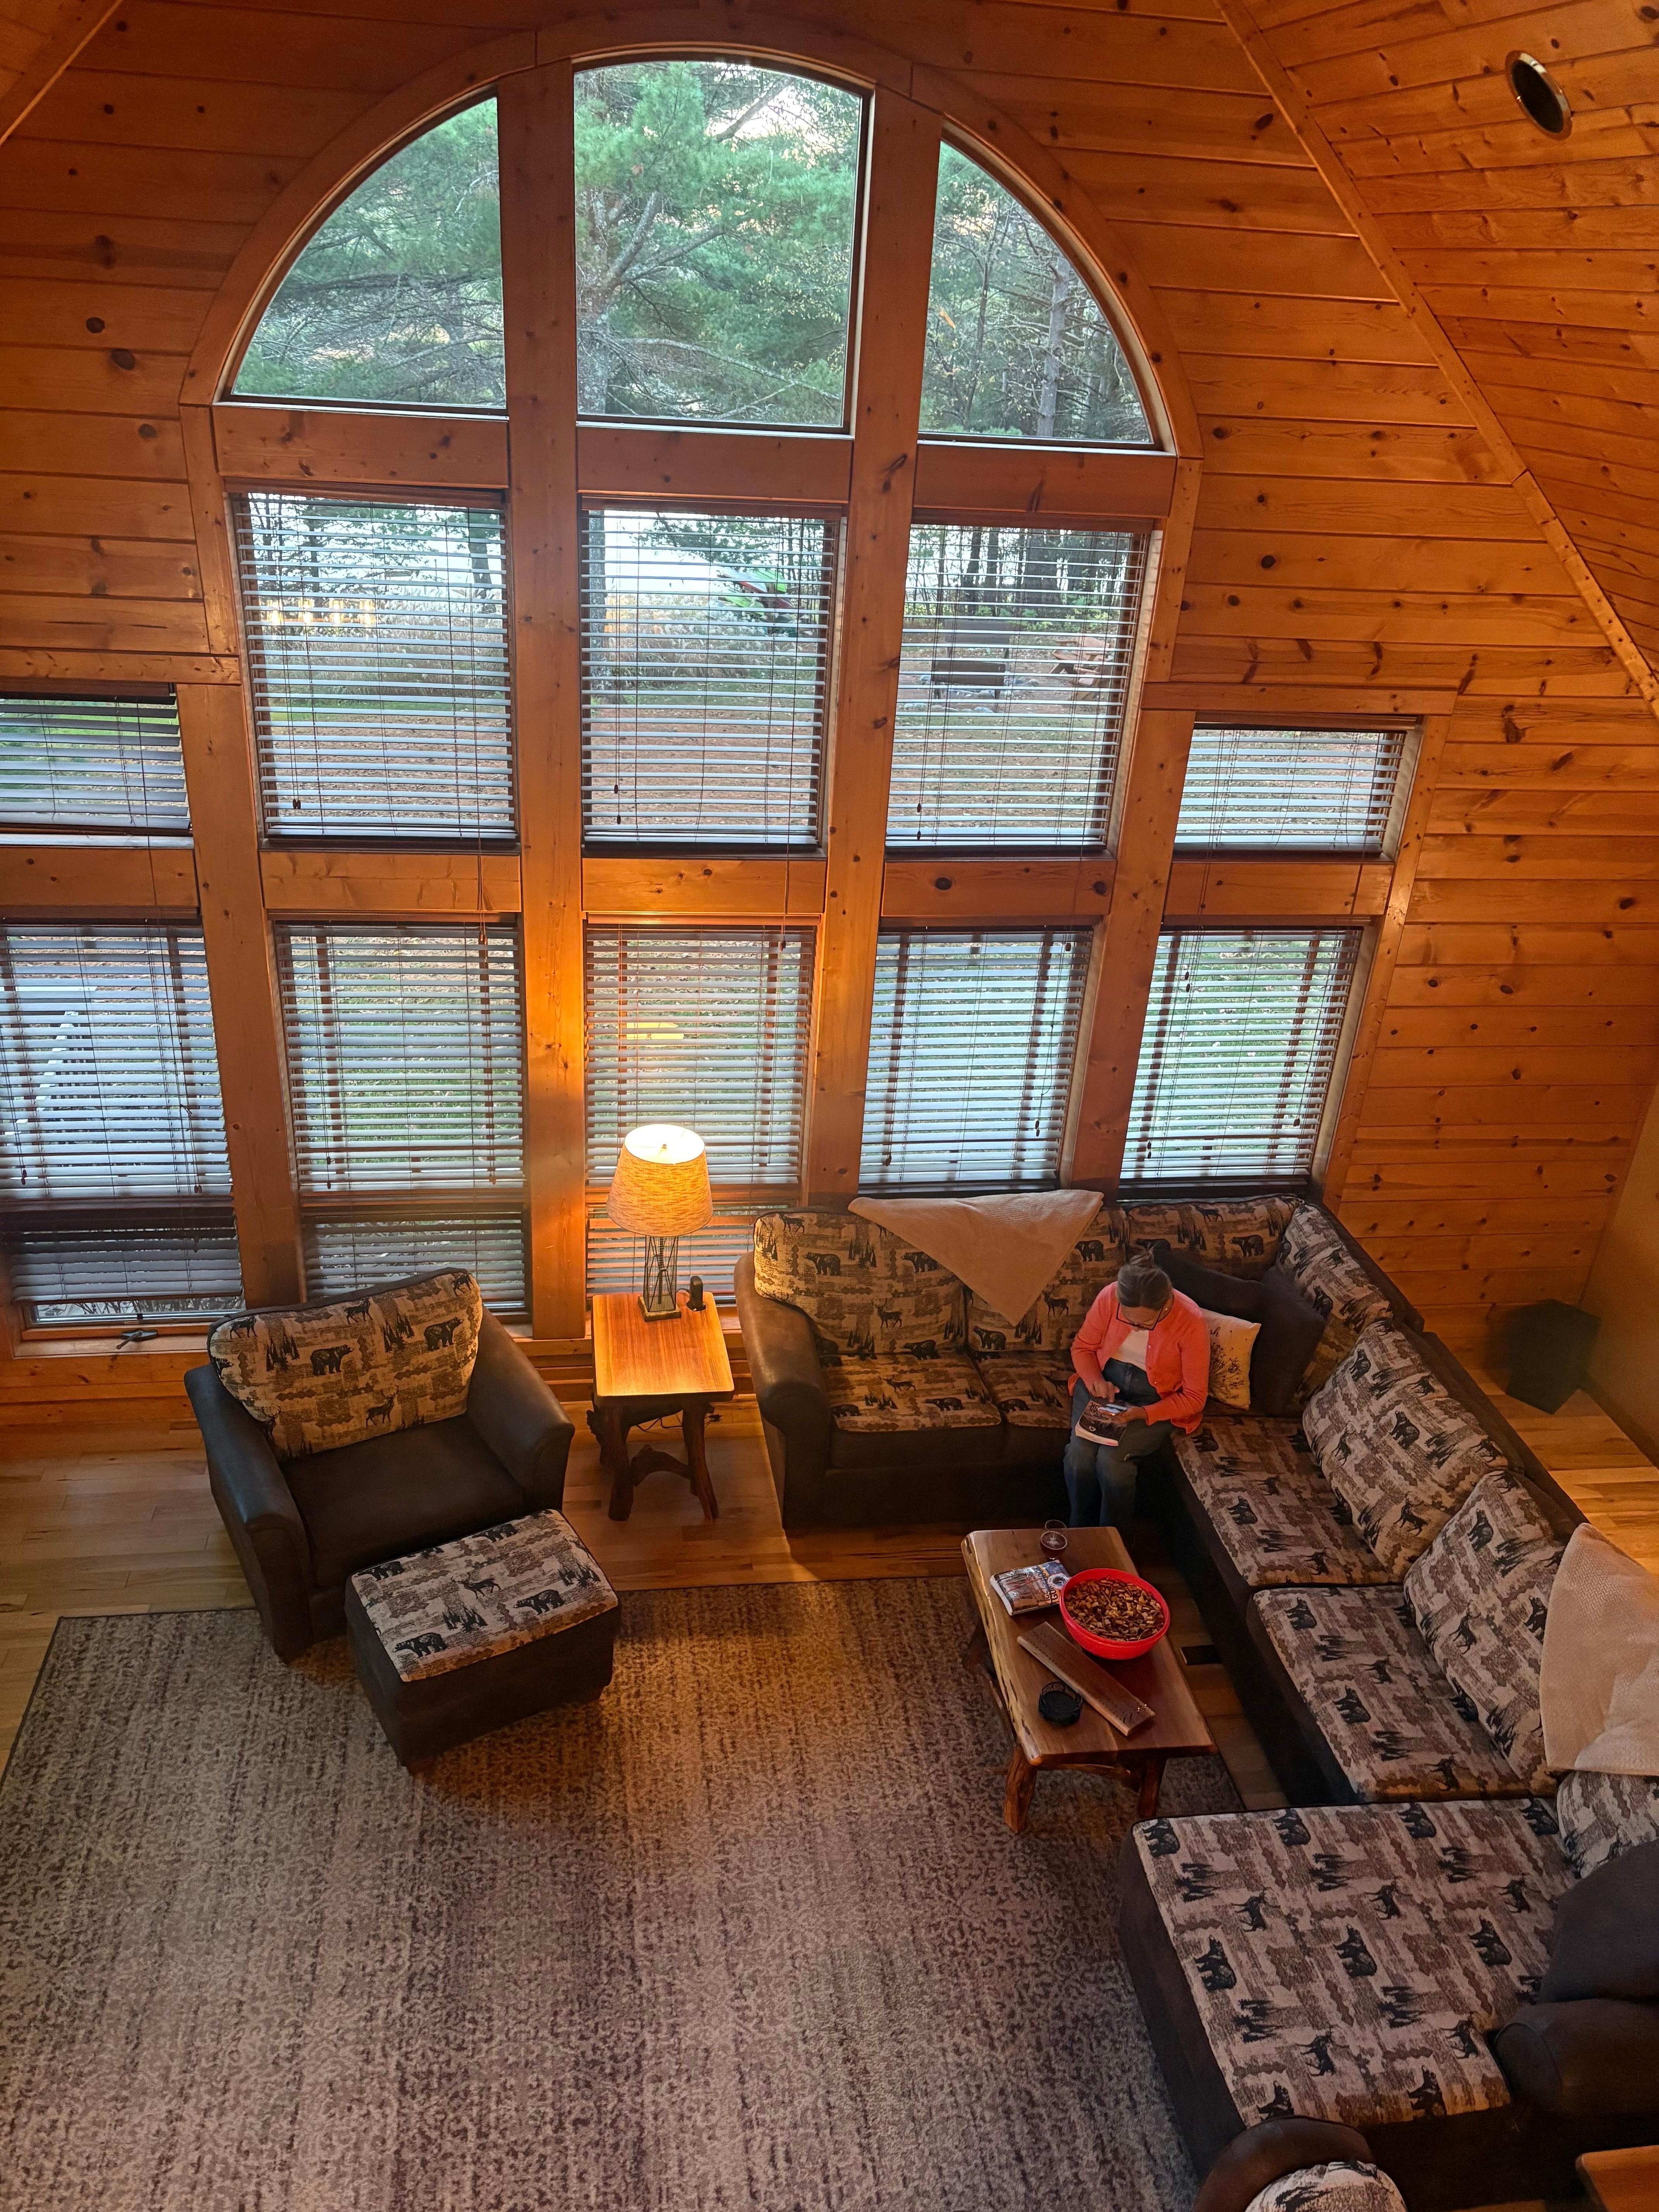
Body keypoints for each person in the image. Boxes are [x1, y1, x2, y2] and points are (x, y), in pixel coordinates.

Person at [1063, 1252, 1209, 1530]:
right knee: (1079, 1456)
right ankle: (1079, 1531)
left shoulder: (1190, 1320)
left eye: (1143, 1324)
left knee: (1112, 1461)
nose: (1134, 1328)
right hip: (1104, 1384)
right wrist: (1096, 1382)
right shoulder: (1110, 1297)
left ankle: (1114, 1543)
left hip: (1154, 1399)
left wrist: (1143, 1413)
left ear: (1165, 1305)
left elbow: (1194, 1397)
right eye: (1128, 1320)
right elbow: (1083, 1348)